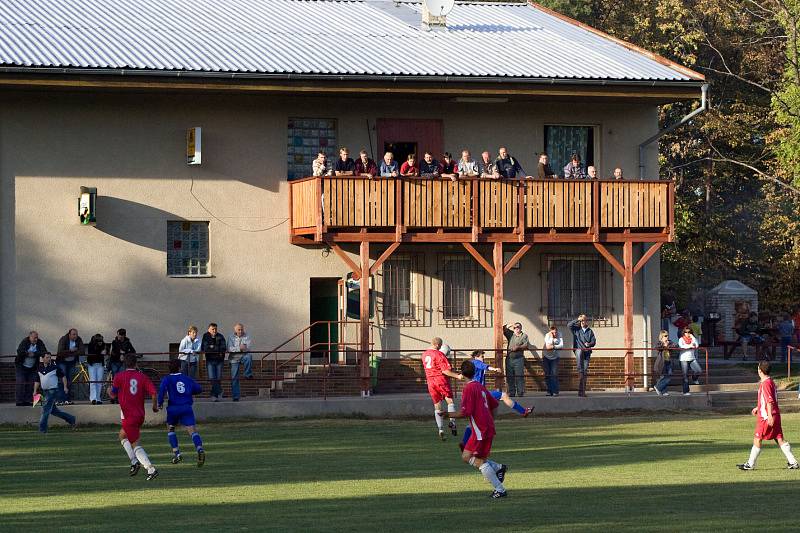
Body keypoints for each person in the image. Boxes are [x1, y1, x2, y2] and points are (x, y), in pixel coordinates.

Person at [448, 359, 509, 499]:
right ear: (475, 372)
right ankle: (499, 468)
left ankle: (500, 489)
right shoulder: (480, 387)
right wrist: (490, 421)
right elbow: (494, 405)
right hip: (484, 427)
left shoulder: (468, 389)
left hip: (480, 430)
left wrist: (448, 415)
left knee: (472, 458)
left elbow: (465, 412)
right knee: (475, 457)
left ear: (462, 374)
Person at [737, 361, 799, 470]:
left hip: (766, 417)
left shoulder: (765, 383)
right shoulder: (770, 381)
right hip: (775, 414)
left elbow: (769, 400)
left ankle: (750, 464)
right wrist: (758, 407)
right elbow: (767, 399)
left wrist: (769, 415)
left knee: (757, 438)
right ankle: (793, 462)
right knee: (779, 438)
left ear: (760, 370)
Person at [108, 353, 159, 480]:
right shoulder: (142, 377)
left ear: (124, 364)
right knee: (122, 435)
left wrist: (109, 391)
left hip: (128, 416)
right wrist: (154, 406)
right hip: (140, 414)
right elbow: (153, 393)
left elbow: (113, 395)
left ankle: (150, 469)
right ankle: (134, 462)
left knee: (135, 444)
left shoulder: (119, 376)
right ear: (136, 364)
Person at [158, 358, 206, 467]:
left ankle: (177, 454)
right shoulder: (187, 378)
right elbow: (198, 389)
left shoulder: (167, 379)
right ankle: (199, 448)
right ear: (180, 367)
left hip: (173, 408)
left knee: (170, 428)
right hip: (186, 407)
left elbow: (161, 392)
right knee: (192, 430)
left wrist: (159, 403)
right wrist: (189, 391)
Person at [467, 350, 533, 416]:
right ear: (476, 357)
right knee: (501, 397)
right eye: (482, 357)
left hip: (482, 392)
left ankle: (523, 411)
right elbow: (486, 367)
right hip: (479, 393)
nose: (483, 358)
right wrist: (494, 369)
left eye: (483, 357)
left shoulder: (474, 364)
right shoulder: (476, 362)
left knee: (486, 413)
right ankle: (523, 411)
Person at [422, 337, 463, 440]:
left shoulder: (424, 354)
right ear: (438, 345)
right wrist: (457, 376)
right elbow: (445, 371)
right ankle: (452, 422)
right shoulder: (439, 354)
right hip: (440, 380)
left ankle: (441, 429)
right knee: (450, 401)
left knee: (437, 405)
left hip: (430, 381)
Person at [32, 352, 76, 433]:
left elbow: (63, 376)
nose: (49, 359)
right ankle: (71, 419)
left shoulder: (55, 367)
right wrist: (35, 391)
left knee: (45, 410)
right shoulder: (39, 369)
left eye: (50, 357)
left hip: (52, 391)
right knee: (54, 411)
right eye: (47, 357)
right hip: (45, 391)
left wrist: (65, 387)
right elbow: (37, 380)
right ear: (42, 358)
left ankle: (42, 430)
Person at [15, 331, 47, 406]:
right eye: (34, 337)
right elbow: (19, 351)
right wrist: (27, 353)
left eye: (36, 337)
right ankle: (19, 401)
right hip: (21, 366)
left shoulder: (39, 342)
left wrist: (34, 354)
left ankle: (28, 400)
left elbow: (44, 352)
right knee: (20, 383)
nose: (35, 339)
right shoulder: (25, 341)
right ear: (29, 337)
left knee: (31, 384)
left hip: (33, 367)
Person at [568, 314, 596, 397]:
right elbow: (569, 325)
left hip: (587, 352)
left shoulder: (590, 331)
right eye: (582, 320)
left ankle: (582, 392)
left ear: (587, 321)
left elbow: (594, 342)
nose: (583, 322)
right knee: (580, 370)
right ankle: (580, 391)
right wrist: (577, 319)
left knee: (584, 371)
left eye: (585, 320)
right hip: (579, 351)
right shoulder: (576, 329)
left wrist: (589, 344)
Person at [56, 328, 85, 405]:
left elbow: (82, 351)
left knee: (69, 380)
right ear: (69, 335)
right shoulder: (63, 339)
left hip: (72, 362)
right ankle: (60, 399)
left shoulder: (79, 340)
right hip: (62, 362)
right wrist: (71, 351)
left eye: (76, 334)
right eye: (73, 334)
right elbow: (60, 352)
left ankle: (67, 399)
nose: (75, 336)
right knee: (62, 379)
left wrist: (72, 353)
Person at [502, 322, 531, 397]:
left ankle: (520, 392)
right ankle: (512, 392)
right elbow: (503, 328)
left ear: (521, 328)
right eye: (515, 327)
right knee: (510, 376)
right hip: (509, 359)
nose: (516, 328)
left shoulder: (524, 336)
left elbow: (526, 345)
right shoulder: (511, 334)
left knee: (519, 376)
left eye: (518, 327)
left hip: (519, 359)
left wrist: (518, 347)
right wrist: (512, 324)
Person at [227, 323, 254, 402]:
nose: (240, 331)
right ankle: (236, 396)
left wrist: (239, 349)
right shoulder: (231, 337)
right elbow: (229, 349)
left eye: (242, 329)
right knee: (234, 378)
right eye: (239, 329)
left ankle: (247, 374)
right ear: (235, 330)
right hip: (234, 358)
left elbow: (248, 348)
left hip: (243, 356)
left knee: (249, 356)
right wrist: (240, 348)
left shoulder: (247, 336)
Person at [202, 323, 227, 401]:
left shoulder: (220, 336)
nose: (214, 330)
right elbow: (205, 348)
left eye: (215, 329)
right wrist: (216, 349)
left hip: (219, 360)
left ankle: (214, 396)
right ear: (208, 329)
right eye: (212, 329)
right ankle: (220, 391)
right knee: (212, 378)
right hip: (210, 360)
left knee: (218, 378)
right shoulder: (205, 336)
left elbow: (223, 348)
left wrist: (212, 347)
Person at [678, 326, 702, 395]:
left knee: (699, 371)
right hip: (683, 359)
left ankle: (694, 378)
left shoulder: (693, 339)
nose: (687, 333)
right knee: (685, 376)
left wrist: (693, 337)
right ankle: (686, 391)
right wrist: (690, 346)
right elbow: (681, 346)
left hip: (692, 358)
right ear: (683, 333)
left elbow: (697, 346)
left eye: (689, 332)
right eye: (686, 332)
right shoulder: (681, 339)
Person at [86, 333, 109, 405]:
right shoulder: (91, 345)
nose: (100, 343)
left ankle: (98, 398)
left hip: (100, 364)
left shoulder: (103, 345)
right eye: (99, 341)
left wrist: (106, 352)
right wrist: (100, 352)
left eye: (101, 341)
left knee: (99, 381)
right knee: (93, 381)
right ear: (96, 341)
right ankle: (93, 398)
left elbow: (106, 351)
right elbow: (92, 354)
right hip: (92, 364)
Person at [542, 325, 563, 396]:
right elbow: (548, 346)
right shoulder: (547, 335)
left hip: (555, 357)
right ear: (550, 331)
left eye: (555, 332)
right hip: (546, 356)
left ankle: (555, 391)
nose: (554, 334)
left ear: (557, 330)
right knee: (547, 374)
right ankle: (549, 391)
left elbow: (561, 346)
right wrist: (551, 337)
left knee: (554, 374)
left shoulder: (559, 335)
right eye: (552, 332)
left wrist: (553, 346)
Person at [653, 330, 674, 396]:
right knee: (664, 376)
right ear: (661, 337)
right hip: (662, 362)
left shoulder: (670, 342)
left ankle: (658, 387)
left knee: (669, 376)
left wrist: (668, 345)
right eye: (665, 336)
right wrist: (664, 345)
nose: (667, 337)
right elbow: (657, 347)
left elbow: (674, 347)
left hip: (669, 361)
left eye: (667, 335)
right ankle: (663, 391)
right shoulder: (659, 343)